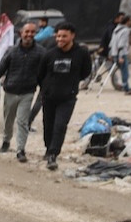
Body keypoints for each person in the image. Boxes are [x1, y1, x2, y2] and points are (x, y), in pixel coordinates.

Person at [0, 21, 43, 162]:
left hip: (27, 93)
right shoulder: (12, 51)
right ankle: (6, 140)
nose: (29, 35)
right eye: (27, 32)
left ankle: (21, 150)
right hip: (10, 91)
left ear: (35, 33)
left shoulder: (40, 52)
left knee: (22, 122)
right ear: (21, 33)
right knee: (8, 120)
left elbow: (43, 73)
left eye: (32, 32)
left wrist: (44, 90)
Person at [36, 21, 90, 171]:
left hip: (67, 97)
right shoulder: (50, 54)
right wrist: (46, 89)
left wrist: (71, 84)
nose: (60, 39)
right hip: (49, 97)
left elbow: (85, 72)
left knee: (60, 126)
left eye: (64, 36)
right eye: (58, 36)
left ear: (72, 36)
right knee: (48, 125)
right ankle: (48, 148)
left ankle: (53, 154)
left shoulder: (81, 53)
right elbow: (40, 74)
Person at [109, 14, 131, 94]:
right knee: (125, 72)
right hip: (121, 53)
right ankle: (126, 89)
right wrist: (121, 56)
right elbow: (121, 44)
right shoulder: (125, 30)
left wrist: (111, 53)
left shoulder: (116, 29)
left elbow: (112, 42)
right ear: (127, 21)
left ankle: (125, 87)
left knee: (122, 71)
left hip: (114, 53)